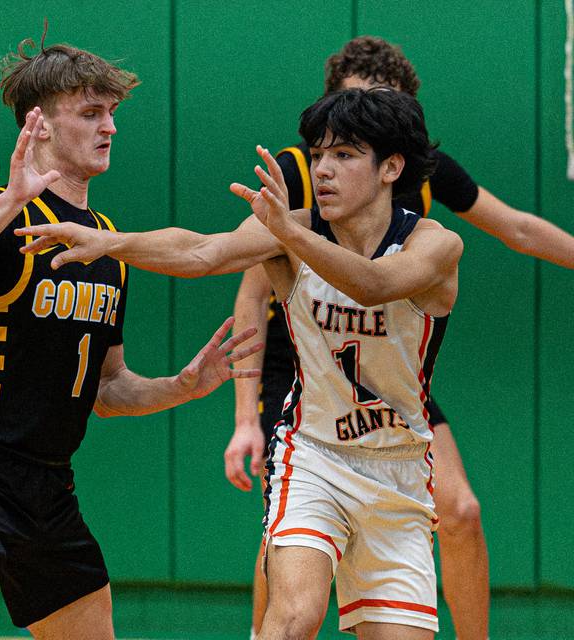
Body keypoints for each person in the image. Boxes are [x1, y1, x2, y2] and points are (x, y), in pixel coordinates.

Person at [17, 87, 462, 637]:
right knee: (294, 616)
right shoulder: (291, 228)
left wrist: (287, 232)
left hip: (399, 469)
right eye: (317, 154)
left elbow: (372, 285)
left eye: (344, 155)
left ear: (391, 167)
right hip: (314, 456)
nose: (322, 169)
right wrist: (109, 241)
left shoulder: (434, 246)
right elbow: (203, 252)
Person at [0, 38, 261, 640]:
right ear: (37, 125)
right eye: (92, 113)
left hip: (51, 487)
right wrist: (8, 201)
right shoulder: (4, 220)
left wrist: (183, 386)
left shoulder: (109, 245)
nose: (110, 127)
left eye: (112, 114)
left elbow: (109, 388)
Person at [225, 35, 574, 640]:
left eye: (368, 120)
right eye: (337, 121)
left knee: (461, 509)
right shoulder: (301, 175)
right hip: (305, 363)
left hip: (391, 365)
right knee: (291, 538)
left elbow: (517, 226)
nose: (339, 143)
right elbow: (249, 290)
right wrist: (243, 416)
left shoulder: (424, 180)